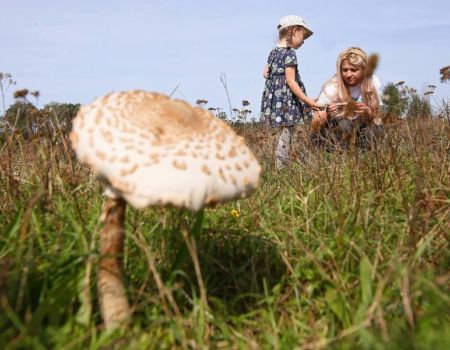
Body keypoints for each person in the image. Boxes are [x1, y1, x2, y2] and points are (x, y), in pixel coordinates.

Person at [260, 15, 318, 169]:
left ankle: (281, 165)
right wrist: (307, 100)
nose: (304, 40)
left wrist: (270, 76)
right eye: (302, 35)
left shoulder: (273, 52)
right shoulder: (289, 53)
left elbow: (265, 71)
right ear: (293, 31)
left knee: (282, 132)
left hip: (274, 97)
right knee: (287, 132)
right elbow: (291, 81)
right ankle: (281, 169)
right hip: (286, 98)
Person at [311, 47, 383, 149]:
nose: (348, 74)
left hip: (363, 126)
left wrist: (366, 112)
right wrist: (327, 112)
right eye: (345, 70)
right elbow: (315, 123)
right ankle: (337, 157)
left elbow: (376, 115)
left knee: (375, 128)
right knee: (343, 125)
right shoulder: (333, 85)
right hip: (339, 130)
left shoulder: (372, 81)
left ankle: (365, 158)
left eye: (353, 70)